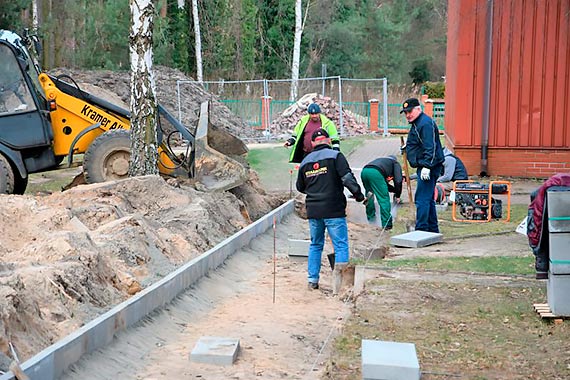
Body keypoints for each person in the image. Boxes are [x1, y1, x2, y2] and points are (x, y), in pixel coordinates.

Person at [296, 128, 364, 294]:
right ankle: (340, 285)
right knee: (340, 245)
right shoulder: (336, 156)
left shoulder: (305, 161)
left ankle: (312, 281)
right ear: (328, 140)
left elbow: (300, 186)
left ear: (312, 143)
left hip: (313, 210)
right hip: (333, 208)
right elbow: (347, 178)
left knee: (315, 244)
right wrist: (359, 195)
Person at [401, 97, 444, 233]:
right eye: (406, 113)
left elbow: (430, 146)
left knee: (422, 199)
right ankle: (432, 229)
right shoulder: (417, 123)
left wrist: (427, 166)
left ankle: (421, 230)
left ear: (418, 109)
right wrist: (407, 147)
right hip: (424, 165)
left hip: (429, 166)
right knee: (428, 198)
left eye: (410, 112)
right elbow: (418, 142)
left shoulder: (425, 123)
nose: (408, 115)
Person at [360, 155, 402, 230]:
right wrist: (398, 195)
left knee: (370, 196)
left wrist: (395, 190)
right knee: (384, 199)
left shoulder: (382, 161)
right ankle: (387, 225)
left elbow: (384, 185)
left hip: (364, 171)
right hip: (376, 173)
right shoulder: (395, 164)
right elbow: (398, 181)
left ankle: (371, 220)